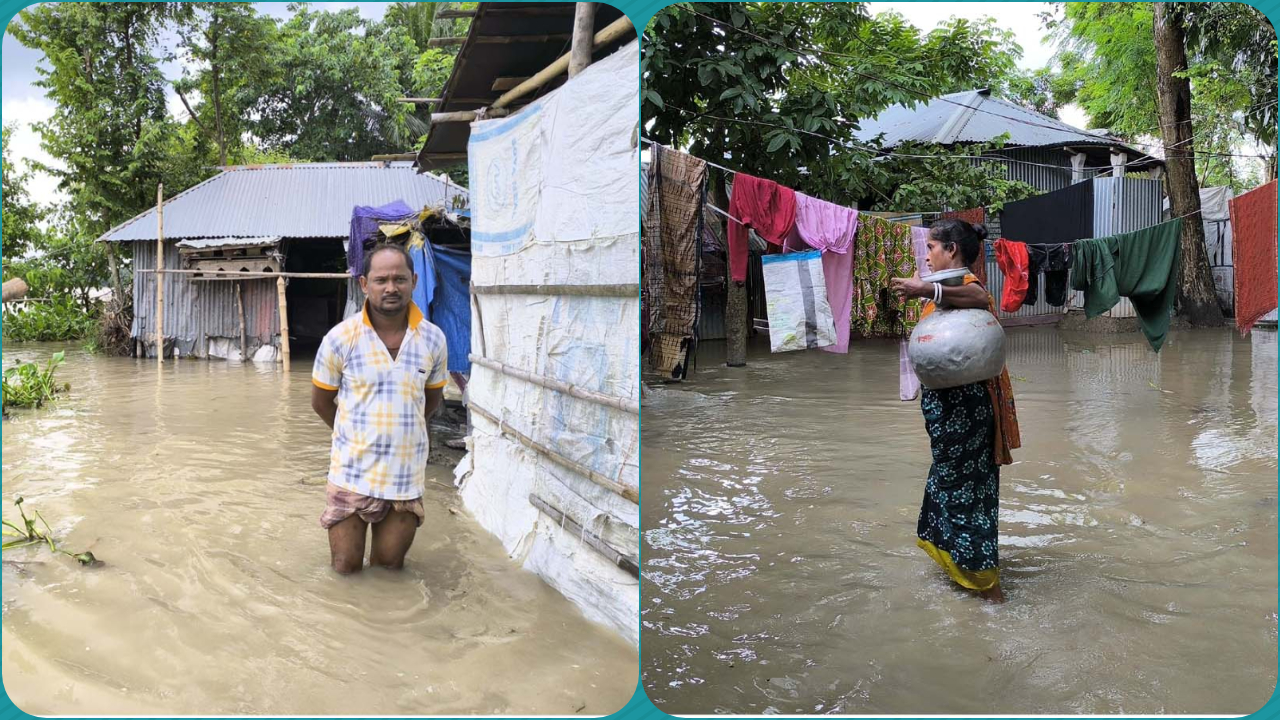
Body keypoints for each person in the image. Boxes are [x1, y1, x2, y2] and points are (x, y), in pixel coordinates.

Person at [889, 220, 1021, 603]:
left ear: (952, 250)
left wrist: (926, 288)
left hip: (966, 413)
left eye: (932, 247)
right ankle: (963, 572)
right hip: (950, 413)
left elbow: (980, 297)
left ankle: (990, 591)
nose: (926, 255)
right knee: (948, 488)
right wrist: (927, 290)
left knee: (963, 494)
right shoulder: (945, 290)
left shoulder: (967, 287)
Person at [311, 243, 448, 574]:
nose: (391, 288)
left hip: (405, 475)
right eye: (381, 280)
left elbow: (431, 399)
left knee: (389, 569)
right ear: (364, 284)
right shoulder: (340, 338)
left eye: (399, 279)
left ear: (414, 281)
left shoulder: (433, 339)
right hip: (351, 473)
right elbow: (320, 401)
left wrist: (402, 432)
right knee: (345, 569)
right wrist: (356, 435)